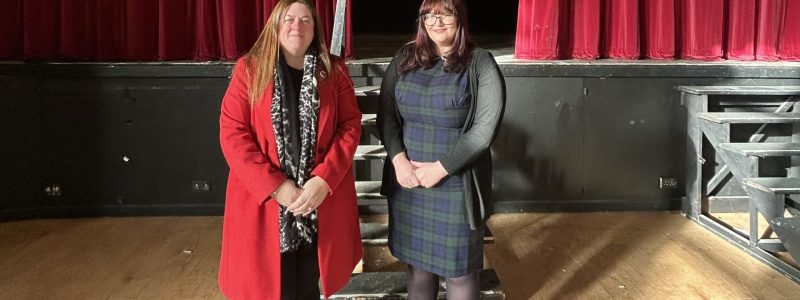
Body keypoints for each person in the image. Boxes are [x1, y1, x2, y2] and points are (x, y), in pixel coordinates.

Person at [217, 0, 363, 299]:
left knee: (309, 283)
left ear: (315, 29)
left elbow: (349, 126)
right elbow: (233, 134)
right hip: (267, 204)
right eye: (289, 19)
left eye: (306, 20)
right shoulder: (250, 69)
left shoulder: (333, 70)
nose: (297, 26)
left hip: (317, 202)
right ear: (275, 26)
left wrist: (324, 180)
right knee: (269, 287)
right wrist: (276, 187)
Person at [377, 0, 506, 299]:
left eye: (445, 13)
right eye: (429, 15)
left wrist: (441, 168)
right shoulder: (404, 57)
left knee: (459, 272)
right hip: (408, 182)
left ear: (460, 18)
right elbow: (387, 115)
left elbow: (484, 131)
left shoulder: (480, 62)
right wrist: (399, 162)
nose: (436, 22)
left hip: (456, 184)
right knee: (418, 268)